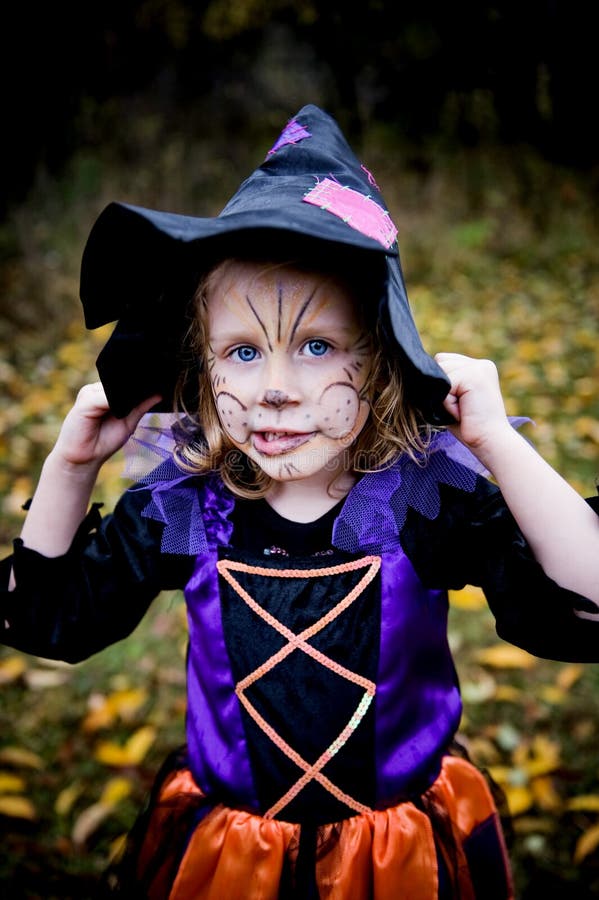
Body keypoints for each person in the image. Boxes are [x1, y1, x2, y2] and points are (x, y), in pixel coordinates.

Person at [1, 104, 599, 900]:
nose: (275, 391)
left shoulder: (424, 500)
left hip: (395, 861)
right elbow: (44, 618)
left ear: (383, 360)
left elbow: (588, 599)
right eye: (242, 352)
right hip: (229, 859)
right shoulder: (186, 507)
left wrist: (495, 442)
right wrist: (71, 467)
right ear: (200, 369)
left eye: (316, 346)